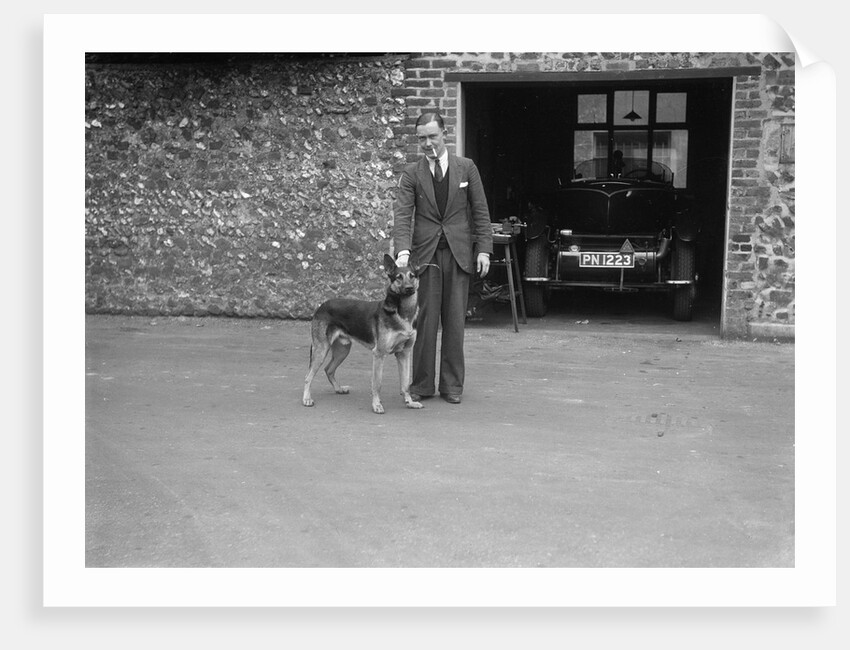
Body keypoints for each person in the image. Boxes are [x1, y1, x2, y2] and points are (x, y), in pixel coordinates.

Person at [392, 112, 493, 404]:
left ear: (444, 134)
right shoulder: (412, 173)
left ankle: (452, 387)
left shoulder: (467, 168)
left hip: (459, 255)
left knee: (455, 323)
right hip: (424, 258)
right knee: (423, 322)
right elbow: (402, 215)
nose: (427, 143)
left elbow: (480, 210)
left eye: (432, 137)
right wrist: (403, 252)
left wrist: (483, 249)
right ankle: (422, 385)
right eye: (421, 138)